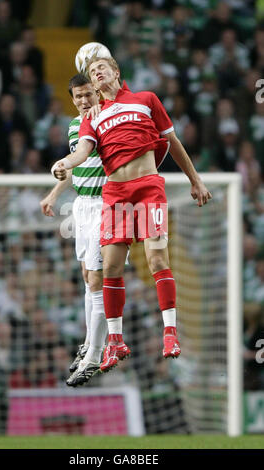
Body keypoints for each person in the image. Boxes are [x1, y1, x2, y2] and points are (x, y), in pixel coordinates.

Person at [51, 56, 212, 374]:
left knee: (156, 259)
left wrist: (196, 180)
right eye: (93, 71)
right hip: (115, 194)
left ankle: (170, 333)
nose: (97, 73)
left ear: (116, 72)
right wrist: (64, 163)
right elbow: (82, 152)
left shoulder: (146, 100)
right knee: (109, 267)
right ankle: (116, 341)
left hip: (148, 187)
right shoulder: (92, 118)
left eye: (102, 68)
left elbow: (172, 141)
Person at [40, 74, 108, 386]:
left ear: (98, 93)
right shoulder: (73, 126)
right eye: (77, 97)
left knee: (97, 278)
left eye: (88, 95)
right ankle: (90, 342)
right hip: (82, 205)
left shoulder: (108, 118)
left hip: (107, 203)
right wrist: (54, 193)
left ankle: (96, 351)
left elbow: (79, 157)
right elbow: (75, 165)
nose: (83, 101)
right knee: (86, 276)